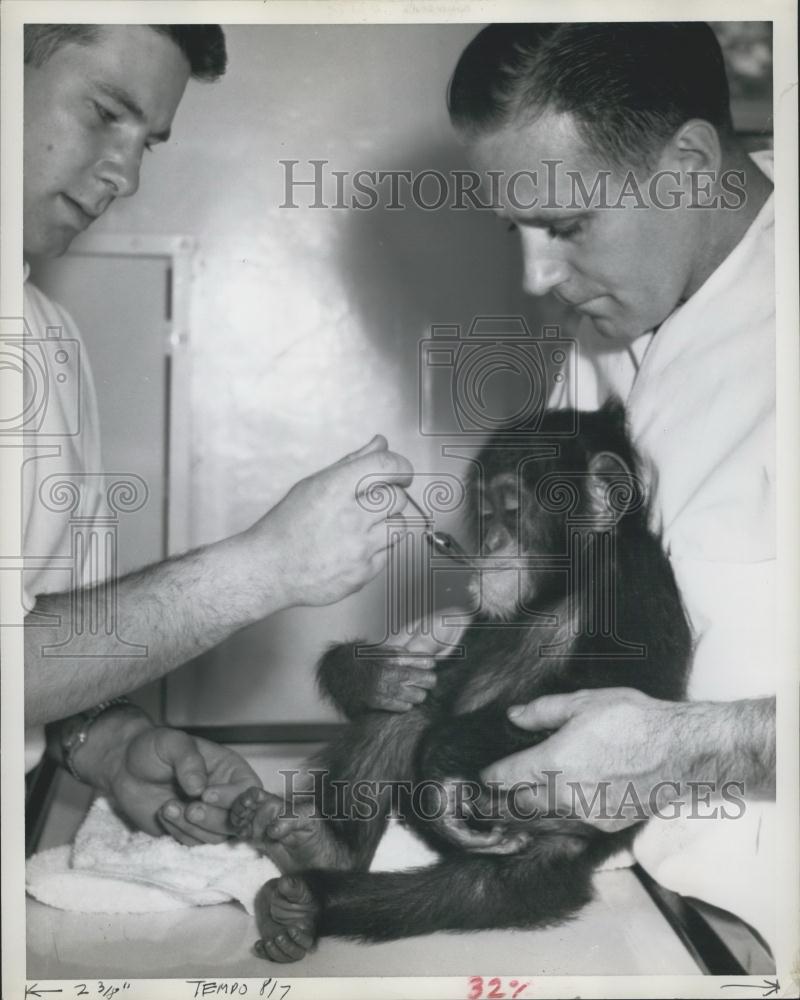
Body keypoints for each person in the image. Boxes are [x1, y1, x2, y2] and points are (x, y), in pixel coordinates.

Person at [22, 24, 413, 845]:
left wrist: (107, 742)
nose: (124, 175)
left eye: (148, 144)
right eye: (103, 113)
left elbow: (42, 640)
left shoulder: (45, 336)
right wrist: (266, 568)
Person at [446, 23, 778, 946]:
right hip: (647, 906)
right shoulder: (606, 321)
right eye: (517, 230)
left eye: (567, 225)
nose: (538, 277)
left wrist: (685, 748)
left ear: (689, 163)